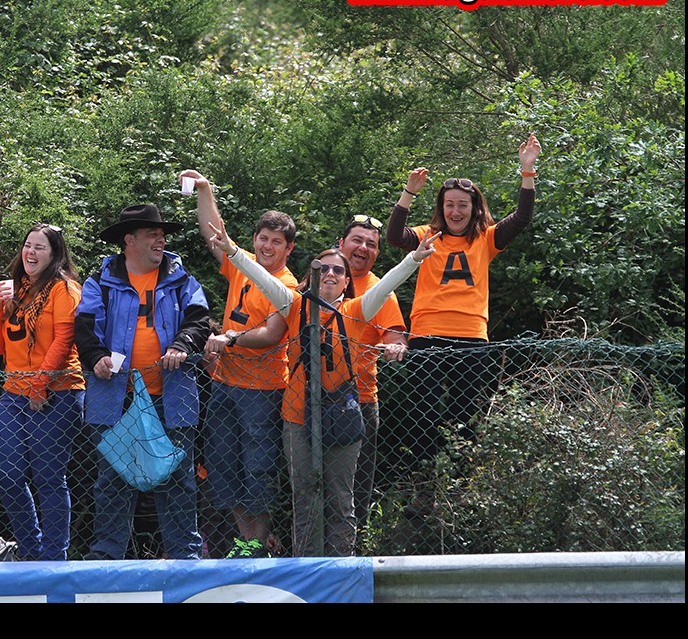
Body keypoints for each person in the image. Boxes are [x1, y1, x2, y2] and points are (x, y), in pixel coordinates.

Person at [206, 219, 437, 556]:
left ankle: (340, 566)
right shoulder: (294, 305)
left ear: (346, 282)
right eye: (323, 268)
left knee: (341, 497)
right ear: (313, 276)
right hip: (297, 416)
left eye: (337, 271)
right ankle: (307, 564)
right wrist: (232, 251)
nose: (330, 274)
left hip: (341, 414)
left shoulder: (357, 310)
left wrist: (414, 259)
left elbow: (387, 284)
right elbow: (261, 278)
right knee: (305, 495)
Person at [386, 133, 540, 511]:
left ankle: (459, 488)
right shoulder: (428, 236)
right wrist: (408, 193)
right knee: (422, 413)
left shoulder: (485, 239)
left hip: (471, 338)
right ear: (441, 207)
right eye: (450, 205)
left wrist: (527, 171)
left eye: (463, 205)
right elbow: (393, 236)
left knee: (464, 414)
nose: (456, 211)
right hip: (426, 336)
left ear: (474, 208)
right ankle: (425, 487)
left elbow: (521, 218)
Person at [74, 204, 211, 560]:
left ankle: (185, 557)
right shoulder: (98, 282)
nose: (161, 239)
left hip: (173, 396)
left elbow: (198, 321)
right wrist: (96, 358)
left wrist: (182, 345)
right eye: (153, 234)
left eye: (162, 234)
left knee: (178, 479)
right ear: (129, 240)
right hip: (116, 399)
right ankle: (106, 559)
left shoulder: (183, 279)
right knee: (112, 482)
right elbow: (85, 330)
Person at [178, 169, 297, 558]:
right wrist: (205, 190)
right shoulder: (241, 264)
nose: (267, 246)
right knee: (223, 464)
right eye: (262, 238)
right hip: (225, 384)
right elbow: (215, 233)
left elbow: (272, 335)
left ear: (287, 249)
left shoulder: (287, 284)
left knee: (258, 469)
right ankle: (245, 541)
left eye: (276, 242)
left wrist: (229, 338)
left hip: (262, 391)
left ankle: (254, 543)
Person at [0, 223, 86, 561]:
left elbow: (63, 341)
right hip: (14, 394)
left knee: (48, 477)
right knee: (8, 474)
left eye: (40, 247)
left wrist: (39, 385)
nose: (30, 252)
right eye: (27, 245)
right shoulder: (15, 289)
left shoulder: (64, 289)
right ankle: (31, 550)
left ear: (55, 253)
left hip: (57, 392)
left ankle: (53, 557)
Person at [336, 214, 409, 519]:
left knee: (355, 488)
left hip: (360, 401)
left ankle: (355, 555)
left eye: (372, 244)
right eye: (357, 240)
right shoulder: (323, 277)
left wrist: (396, 347)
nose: (363, 247)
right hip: (306, 399)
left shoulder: (381, 291)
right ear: (341, 244)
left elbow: (395, 334)